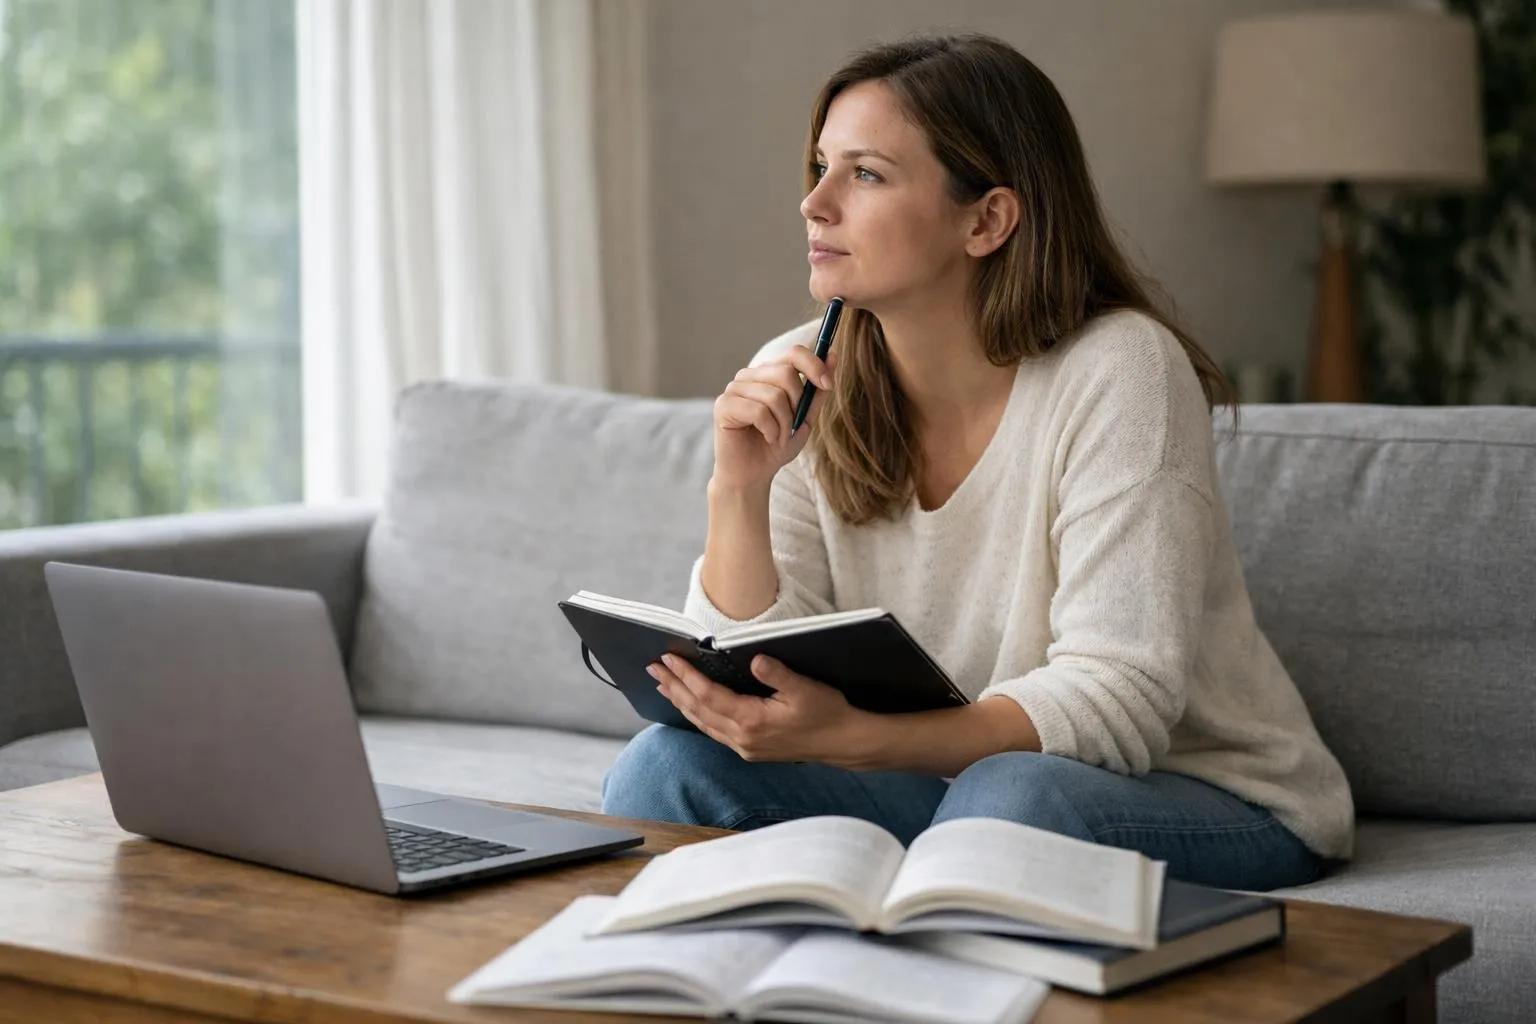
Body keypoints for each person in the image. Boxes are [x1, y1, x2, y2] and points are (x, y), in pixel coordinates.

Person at [601, 33, 1353, 890]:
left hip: (1205, 795)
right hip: (950, 788)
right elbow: (764, 675)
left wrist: (863, 741)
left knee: (1013, 801)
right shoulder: (804, 373)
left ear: (987, 218)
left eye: (866, 174)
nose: (814, 203)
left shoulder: (1121, 368)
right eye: (819, 167)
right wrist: (738, 488)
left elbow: (1121, 699)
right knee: (662, 769)